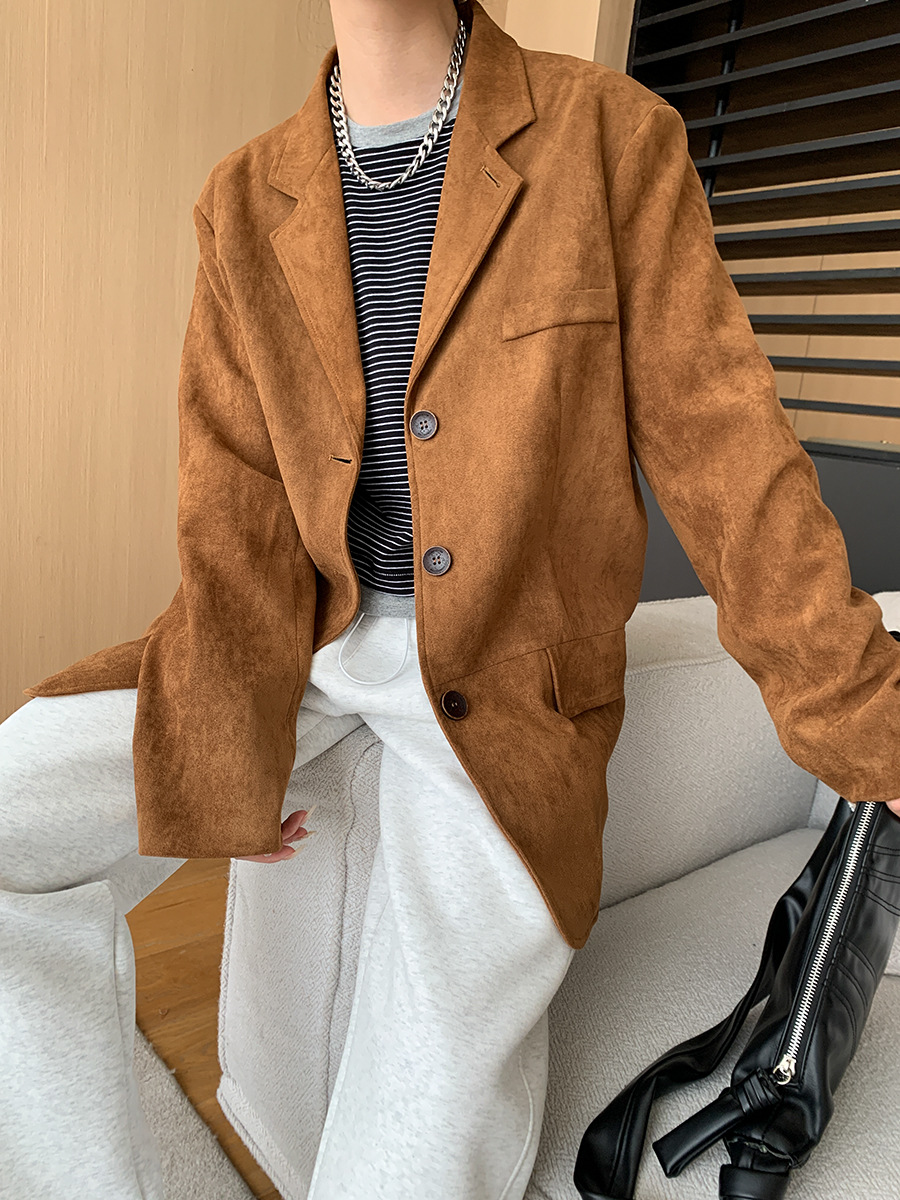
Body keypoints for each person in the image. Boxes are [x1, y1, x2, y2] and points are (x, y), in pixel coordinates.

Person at [0, 3, 579, 1198]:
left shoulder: (605, 137)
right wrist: (228, 755)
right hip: (303, 640)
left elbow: (722, 443)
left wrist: (858, 712)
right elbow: (235, 500)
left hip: (503, 673)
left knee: (421, 1126)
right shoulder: (243, 195)